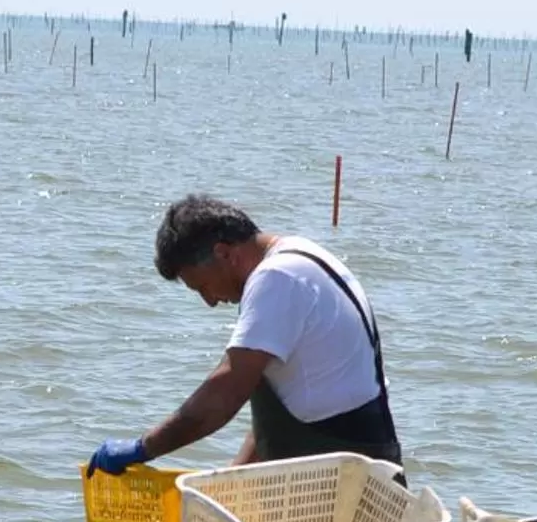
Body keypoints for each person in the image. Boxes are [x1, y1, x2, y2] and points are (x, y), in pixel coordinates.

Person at [89, 195, 402, 476]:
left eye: (202, 287)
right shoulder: (298, 256)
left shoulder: (276, 279)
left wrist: (143, 448)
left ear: (225, 254)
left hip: (345, 477)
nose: (210, 301)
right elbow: (279, 413)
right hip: (354, 461)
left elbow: (225, 393)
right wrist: (230, 480)